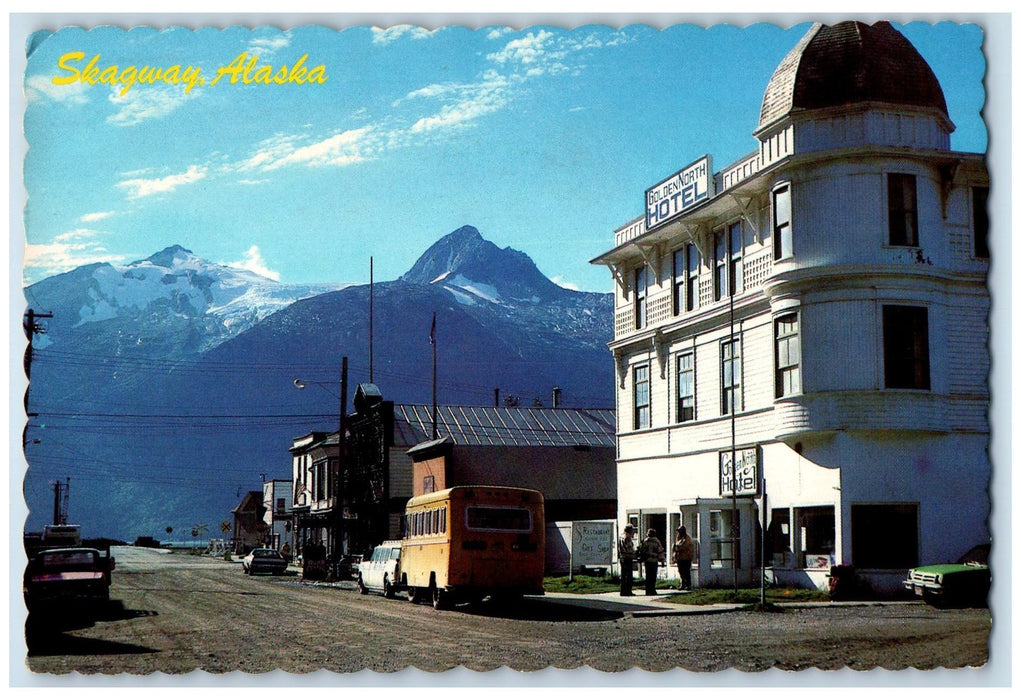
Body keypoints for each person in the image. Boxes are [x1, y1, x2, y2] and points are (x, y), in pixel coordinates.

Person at [638, 528, 665, 595]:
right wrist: (662, 561)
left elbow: (641, 550)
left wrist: (641, 558)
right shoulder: (657, 542)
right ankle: (652, 590)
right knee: (653, 576)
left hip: (647, 561)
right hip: (654, 560)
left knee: (648, 576)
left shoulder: (645, 541)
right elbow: (660, 551)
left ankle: (647, 590)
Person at [673, 525, 694, 590]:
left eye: (680, 531)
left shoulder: (687, 538)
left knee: (686, 572)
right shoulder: (678, 538)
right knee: (681, 571)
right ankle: (683, 584)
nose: (678, 533)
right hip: (680, 558)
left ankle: (688, 585)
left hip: (686, 558)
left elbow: (682, 547)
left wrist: (676, 548)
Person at [617, 523, 636, 596]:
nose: (633, 532)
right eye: (632, 530)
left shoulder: (621, 537)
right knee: (628, 575)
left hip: (622, 557)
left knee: (623, 575)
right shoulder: (627, 538)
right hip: (627, 557)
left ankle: (623, 591)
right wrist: (634, 553)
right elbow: (629, 548)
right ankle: (628, 591)